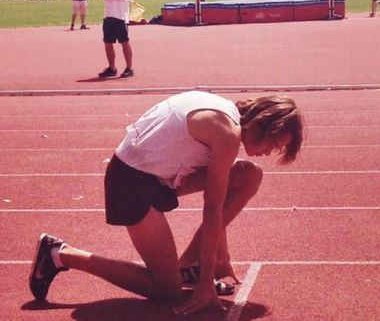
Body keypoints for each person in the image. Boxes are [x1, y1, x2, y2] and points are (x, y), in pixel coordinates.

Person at [29, 91, 304, 315]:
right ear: (264, 123)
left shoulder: (226, 111)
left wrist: (222, 257)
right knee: (166, 290)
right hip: (131, 183)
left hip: (157, 176)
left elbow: (218, 203)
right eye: (275, 141)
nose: (271, 151)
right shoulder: (227, 132)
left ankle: (187, 267)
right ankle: (59, 254)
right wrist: (206, 281)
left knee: (248, 175)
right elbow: (212, 209)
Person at [97, 0, 133, 78]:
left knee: (124, 42)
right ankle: (112, 68)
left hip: (120, 15)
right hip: (108, 15)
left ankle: (129, 68)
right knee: (108, 42)